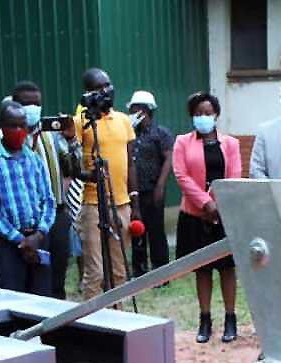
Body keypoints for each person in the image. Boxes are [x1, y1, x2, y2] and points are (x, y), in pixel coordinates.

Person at [0, 82, 74, 299]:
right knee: (14, 295)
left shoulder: (49, 140)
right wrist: (19, 238)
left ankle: (52, 332)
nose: (33, 108)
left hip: (50, 223)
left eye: (37, 104)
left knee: (51, 286)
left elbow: (59, 184)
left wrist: (39, 233)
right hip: (11, 236)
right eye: (27, 103)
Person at [173, 92, 242, 344]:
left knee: (227, 268)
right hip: (194, 214)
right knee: (202, 270)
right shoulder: (182, 142)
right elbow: (181, 176)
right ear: (192, 116)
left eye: (207, 112)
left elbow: (234, 175)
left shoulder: (231, 144)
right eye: (198, 113)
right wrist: (205, 202)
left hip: (224, 213)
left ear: (216, 115)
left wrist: (219, 203)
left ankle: (231, 318)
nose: (203, 117)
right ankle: (205, 319)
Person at [62, 68, 137, 298]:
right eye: (98, 88)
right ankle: (92, 325)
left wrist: (135, 201)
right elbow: (70, 165)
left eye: (108, 85)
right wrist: (87, 173)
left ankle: (120, 320)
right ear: (88, 93)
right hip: (93, 205)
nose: (105, 91)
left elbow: (131, 162)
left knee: (119, 271)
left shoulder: (124, 120)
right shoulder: (79, 122)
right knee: (94, 273)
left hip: (121, 204)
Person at [0, 100, 56, 294]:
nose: (19, 130)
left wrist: (39, 235)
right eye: (13, 125)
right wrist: (20, 239)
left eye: (22, 125)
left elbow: (48, 199)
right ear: (1, 126)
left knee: (42, 297)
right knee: (11, 298)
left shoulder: (34, 159)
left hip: (38, 238)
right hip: (9, 243)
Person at [127, 90, 174, 276]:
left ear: (146, 111)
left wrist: (160, 186)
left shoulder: (160, 133)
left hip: (152, 190)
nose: (133, 113)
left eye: (136, 109)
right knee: (137, 231)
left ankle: (161, 273)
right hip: (134, 192)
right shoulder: (129, 133)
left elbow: (168, 159)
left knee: (156, 232)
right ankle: (139, 272)